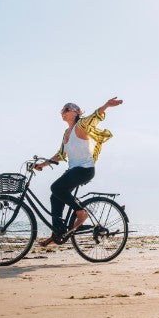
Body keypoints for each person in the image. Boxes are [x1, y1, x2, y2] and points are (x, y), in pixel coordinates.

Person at [35, 97, 123, 247]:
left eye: (66, 109)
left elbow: (94, 116)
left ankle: (81, 213)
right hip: (74, 170)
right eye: (62, 110)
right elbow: (61, 155)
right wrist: (42, 164)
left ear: (75, 112)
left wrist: (106, 105)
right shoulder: (66, 133)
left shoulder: (81, 125)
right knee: (55, 196)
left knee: (56, 187)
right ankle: (58, 232)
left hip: (85, 169)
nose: (63, 112)